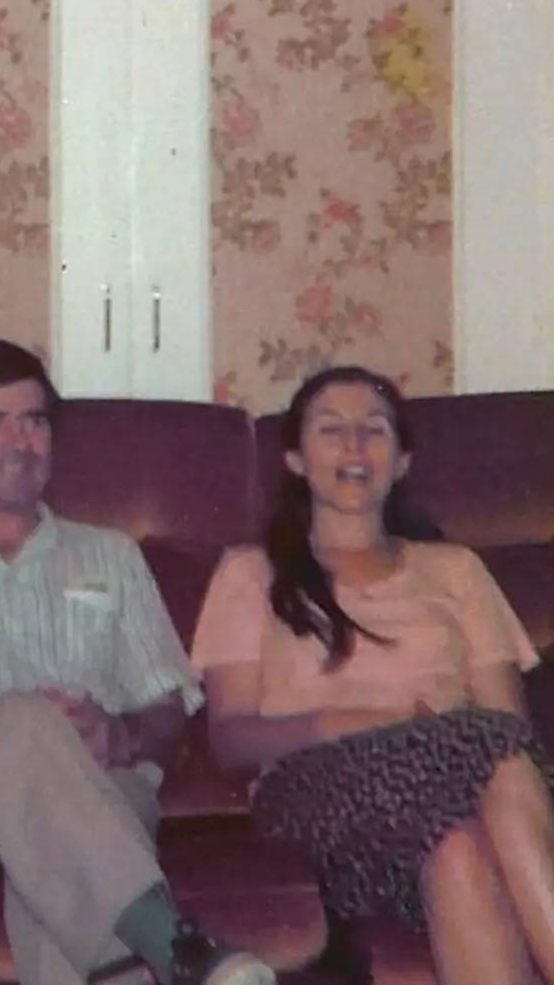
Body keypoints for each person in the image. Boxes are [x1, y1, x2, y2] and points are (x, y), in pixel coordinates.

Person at [0, 338, 275, 985]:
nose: (20, 440)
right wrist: (15, 722)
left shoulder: (112, 556)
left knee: (50, 856)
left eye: (35, 420)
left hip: (101, 785)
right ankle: (173, 944)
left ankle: (157, 957)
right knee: (24, 730)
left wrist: (120, 732)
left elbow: (168, 711)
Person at [189, 365, 554, 985]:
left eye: (375, 430)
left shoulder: (457, 570)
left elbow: (510, 729)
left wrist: (437, 740)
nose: (356, 446)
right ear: (296, 460)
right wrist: (361, 721)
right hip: (318, 801)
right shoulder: (250, 573)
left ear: (403, 459)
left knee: (459, 848)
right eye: (332, 429)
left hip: (455, 796)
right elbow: (228, 736)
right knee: (486, 748)